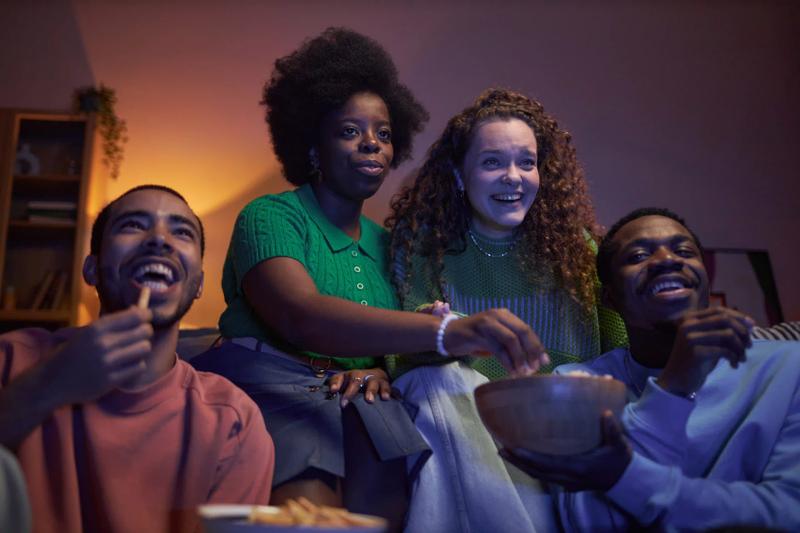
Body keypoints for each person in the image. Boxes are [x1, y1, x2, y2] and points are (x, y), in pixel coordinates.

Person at [190, 29, 548, 531]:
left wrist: (381, 369)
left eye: (383, 133)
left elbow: (389, 345)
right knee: (311, 512)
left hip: (360, 398)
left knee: (398, 496)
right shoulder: (271, 217)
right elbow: (300, 315)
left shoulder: (391, 245)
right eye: (350, 131)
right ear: (313, 146)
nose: (371, 144)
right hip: (271, 386)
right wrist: (446, 332)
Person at [385, 88, 627, 532]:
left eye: (527, 162)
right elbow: (402, 363)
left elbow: (622, 354)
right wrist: (435, 327)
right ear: (459, 176)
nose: (513, 177)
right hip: (472, 429)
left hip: (562, 428)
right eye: (493, 162)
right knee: (432, 378)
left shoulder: (580, 251)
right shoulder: (423, 250)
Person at [504, 208, 800, 531]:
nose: (666, 260)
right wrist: (673, 385)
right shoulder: (577, 385)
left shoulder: (788, 365)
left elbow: (787, 514)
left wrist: (627, 477)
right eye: (639, 255)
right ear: (610, 298)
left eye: (684, 251)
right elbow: (592, 524)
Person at [0, 185, 275, 533]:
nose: (159, 240)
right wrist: (49, 383)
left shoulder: (234, 424)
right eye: (132, 225)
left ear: (199, 284)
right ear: (92, 269)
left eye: (181, 231)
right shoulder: (11, 360)